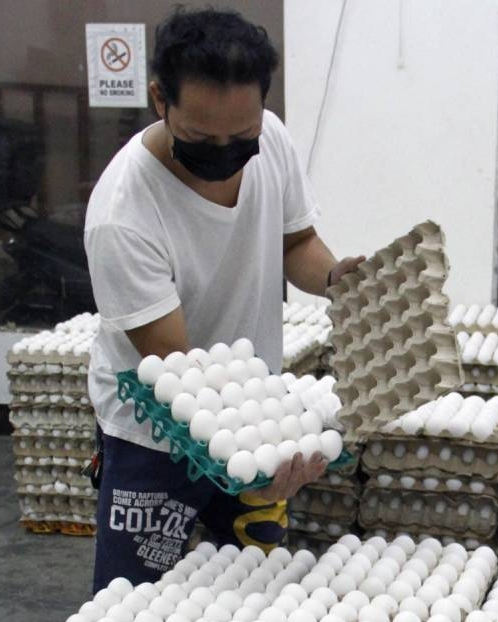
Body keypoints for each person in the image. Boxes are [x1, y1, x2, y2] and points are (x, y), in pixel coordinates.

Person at [84, 6, 362, 590]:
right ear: (160, 100)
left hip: (249, 413)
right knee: (135, 608)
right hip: (156, 433)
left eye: (242, 136)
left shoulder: (272, 141)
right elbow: (180, 378)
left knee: (254, 599)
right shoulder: (124, 215)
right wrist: (256, 451)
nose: (224, 151)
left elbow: (298, 243)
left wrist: (338, 279)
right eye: (201, 138)